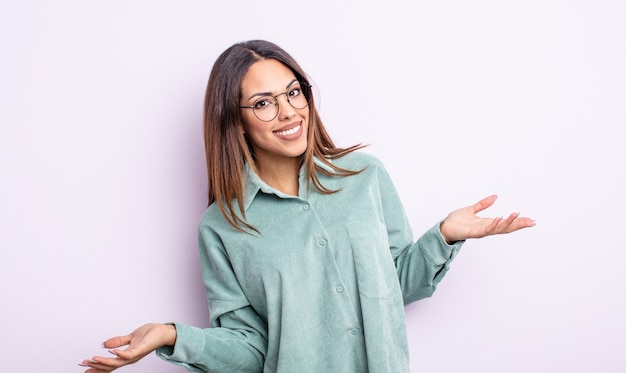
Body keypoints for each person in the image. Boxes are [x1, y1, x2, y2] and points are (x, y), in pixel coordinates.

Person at [79, 39, 535, 373]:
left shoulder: (365, 177)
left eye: (293, 92)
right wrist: (172, 335)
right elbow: (252, 348)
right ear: (233, 123)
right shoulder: (221, 229)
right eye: (263, 103)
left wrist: (444, 237)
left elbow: (394, 289)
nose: (288, 112)